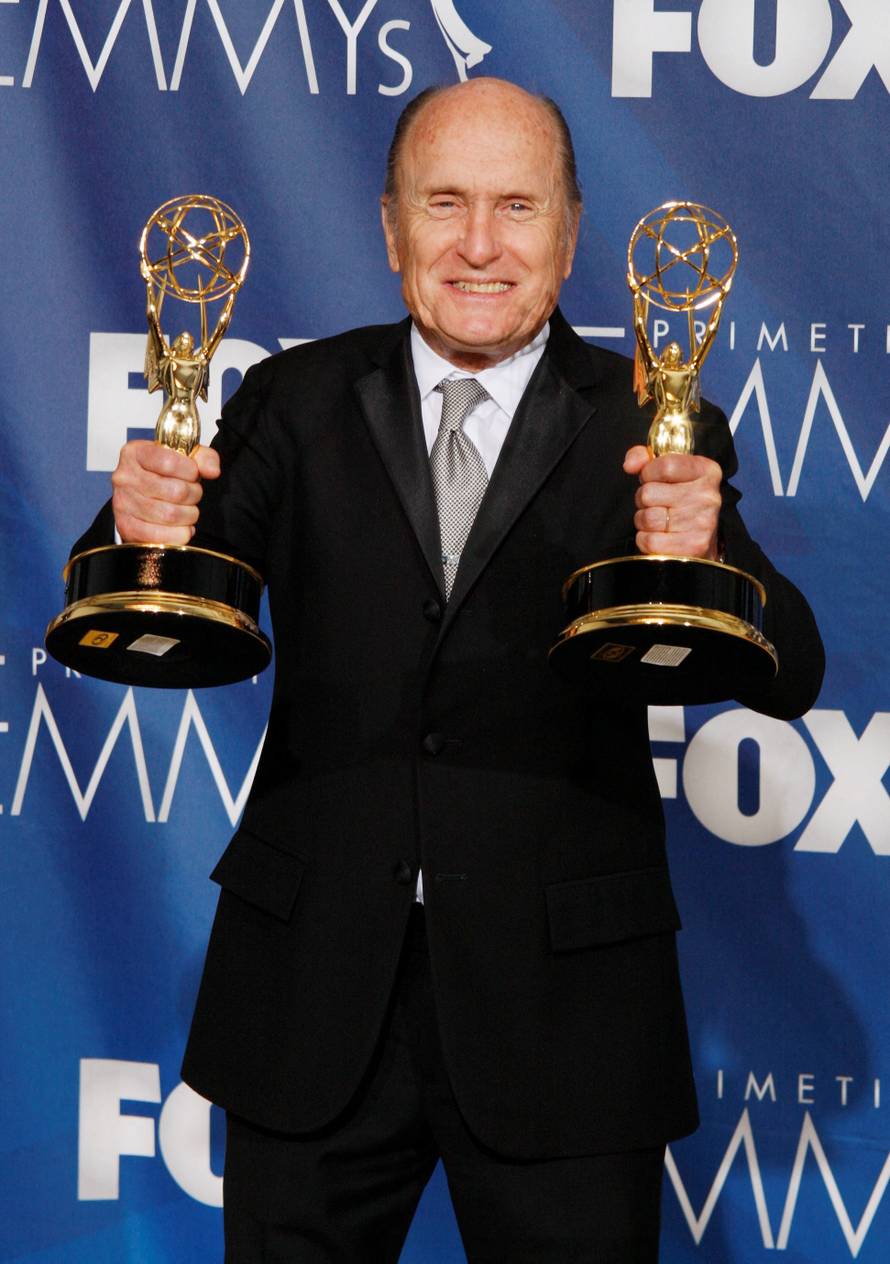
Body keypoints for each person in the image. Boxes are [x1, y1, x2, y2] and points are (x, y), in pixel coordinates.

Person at [87, 78, 823, 1262]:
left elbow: (788, 672)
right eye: (445, 202)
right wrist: (138, 524)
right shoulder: (291, 399)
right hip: (314, 1001)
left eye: (516, 206)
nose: (479, 244)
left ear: (571, 232)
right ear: (389, 227)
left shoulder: (650, 420)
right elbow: (179, 596)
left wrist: (705, 551)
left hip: (563, 1015)